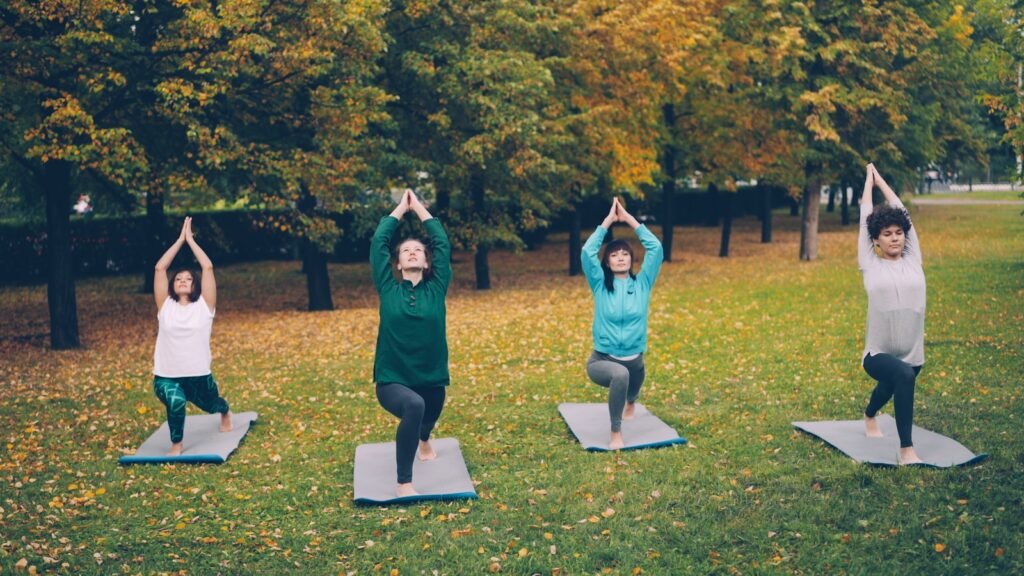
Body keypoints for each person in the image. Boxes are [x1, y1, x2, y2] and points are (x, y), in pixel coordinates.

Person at [371, 190, 452, 496]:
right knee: (413, 406)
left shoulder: (437, 288)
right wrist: (398, 210)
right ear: (399, 263)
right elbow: (378, 243)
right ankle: (404, 482)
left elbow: (442, 243)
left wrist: (419, 208)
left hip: (431, 378)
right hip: (392, 379)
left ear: (427, 261)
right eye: (406, 250)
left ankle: (424, 440)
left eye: (418, 249)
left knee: (427, 416)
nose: (413, 252)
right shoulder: (388, 288)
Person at [581, 198, 663, 450]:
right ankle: (616, 432)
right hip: (602, 359)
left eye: (625, 254)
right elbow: (586, 252)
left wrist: (628, 219)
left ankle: (632, 400)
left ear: (631, 259)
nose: (620, 258)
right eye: (614, 255)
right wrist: (607, 222)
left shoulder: (643, 284)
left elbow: (656, 247)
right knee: (620, 374)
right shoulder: (599, 284)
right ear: (607, 262)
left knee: (632, 375)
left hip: (635, 360)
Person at [858, 164, 926, 465]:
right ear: (877, 239)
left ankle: (869, 414)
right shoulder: (871, 265)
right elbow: (864, 218)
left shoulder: (914, 259)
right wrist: (868, 183)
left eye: (899, 233)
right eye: (887, 234)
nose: (895, 238)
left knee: (892, 386)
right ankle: (906, 450)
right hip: (878, 354)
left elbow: (902, 212)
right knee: (898, 376)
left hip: (912, 355)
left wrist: (882, 180)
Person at [152, 217, 232, 456]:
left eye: (188, 278)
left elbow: (207, 267)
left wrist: (192, 241)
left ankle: (225, 411)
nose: (183, 281)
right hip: (166, 376)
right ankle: (177, 444)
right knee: (176, 402)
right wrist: (179, 241)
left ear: (195, 285)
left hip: (198, 375)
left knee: (212, 404)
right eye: (178, 279)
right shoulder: (165, 307)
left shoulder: (204, 307)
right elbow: (159, 268)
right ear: (172, 286)